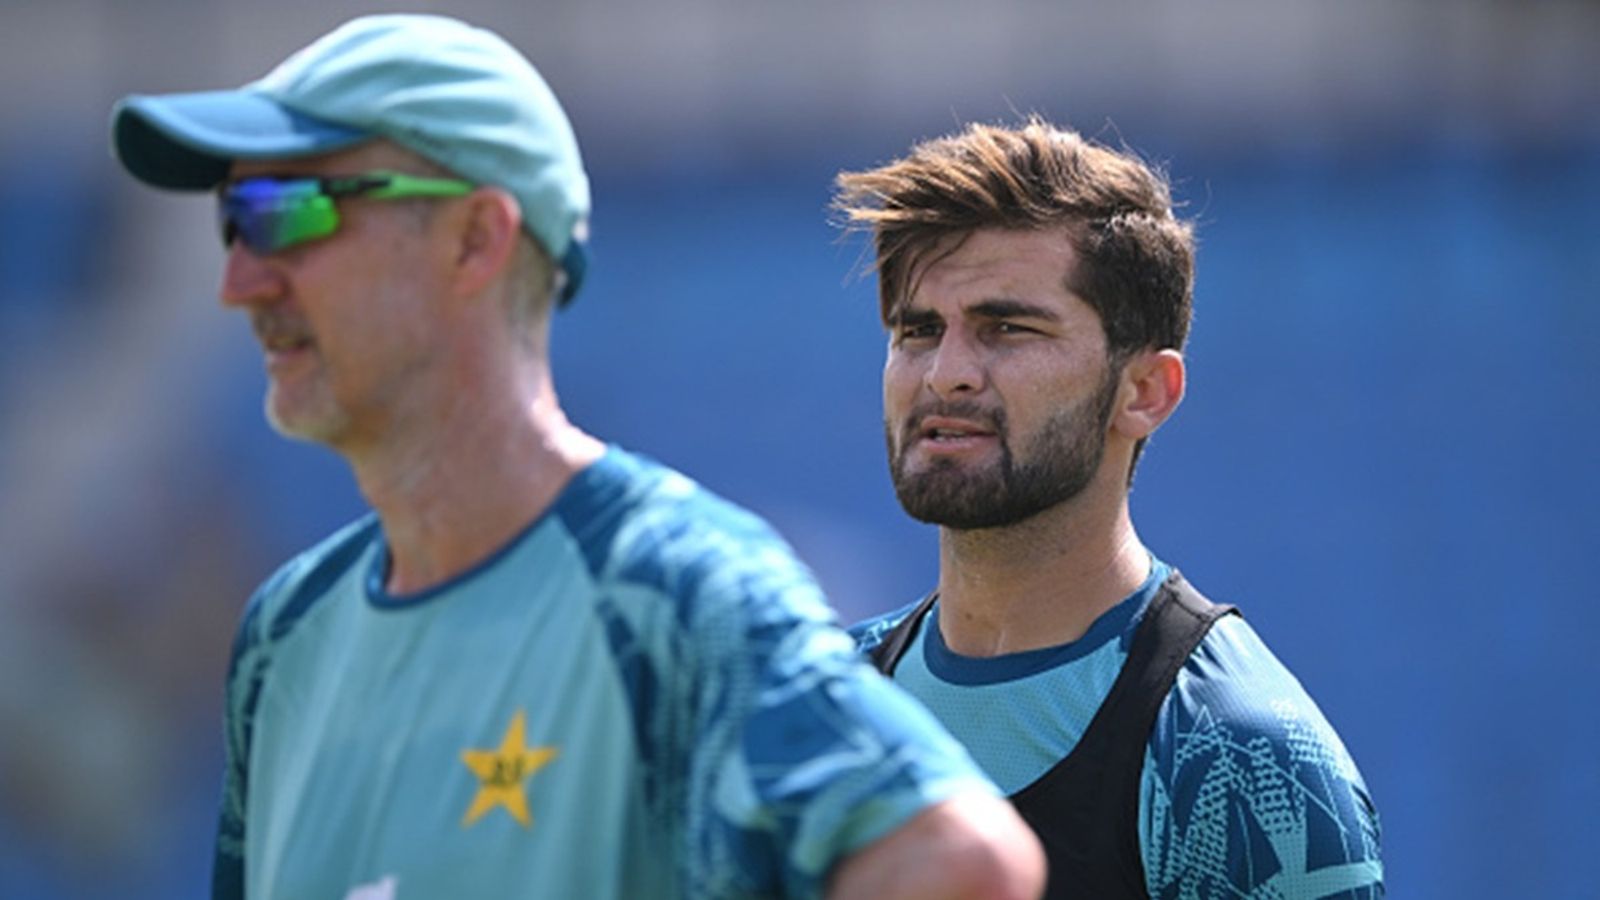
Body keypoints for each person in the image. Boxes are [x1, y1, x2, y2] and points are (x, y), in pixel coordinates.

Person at [110, 15, 1045, 900]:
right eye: (234, 220)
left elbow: (962, 862)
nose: (240, 280)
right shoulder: (286, 633)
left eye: (288, 211)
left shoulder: (668, 590)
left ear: (475, 238)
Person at [835, 118, 1384, 899]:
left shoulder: (1237, 760)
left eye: (1007, 328)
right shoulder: (825, 704)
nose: (946, 373)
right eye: (918, 331)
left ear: (1144, 392)